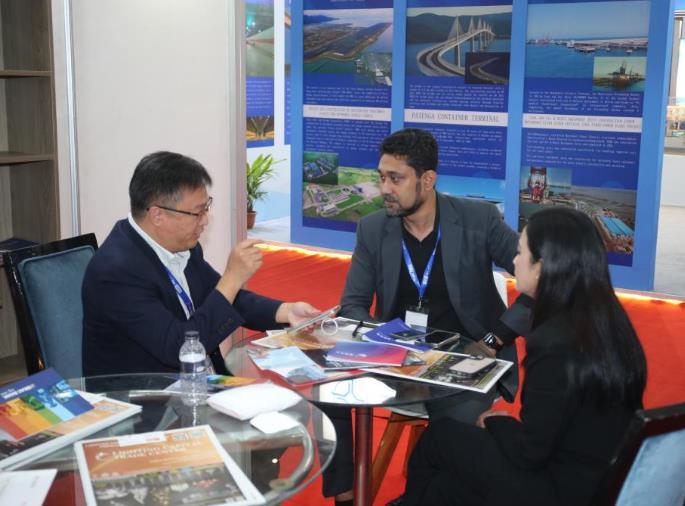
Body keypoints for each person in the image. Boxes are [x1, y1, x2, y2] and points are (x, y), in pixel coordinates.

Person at [325, 128, 531, 504]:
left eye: (396, 179)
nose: (385, 188)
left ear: (428, 179)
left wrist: (494, 339)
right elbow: (353, 305)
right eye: (382, 177)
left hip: (464, 361)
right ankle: (347, 497)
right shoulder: (373, 228)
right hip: (396, 357)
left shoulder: (478, 219)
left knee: (453, 437)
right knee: (325, 387)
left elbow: (540, 278)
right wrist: (388, 344)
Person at [402, 206, 647, 506]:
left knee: (439, 438)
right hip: (604, 480)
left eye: (520, 253)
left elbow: (529, 452)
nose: (513, 261)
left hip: (557, 488)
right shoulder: (612, 321)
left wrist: (497, 422)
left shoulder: (553, 342)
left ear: (542, 268)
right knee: (445, 487)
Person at [82, 151, 318, 376]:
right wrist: (232, 278)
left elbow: (225, 298)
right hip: (147, 394)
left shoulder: (183, 247)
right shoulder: (117, 271)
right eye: (197, 213)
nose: (205, 221)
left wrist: (286, 311)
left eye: (207, 208)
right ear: (157, 215)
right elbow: (179, 349)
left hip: (196, 382)